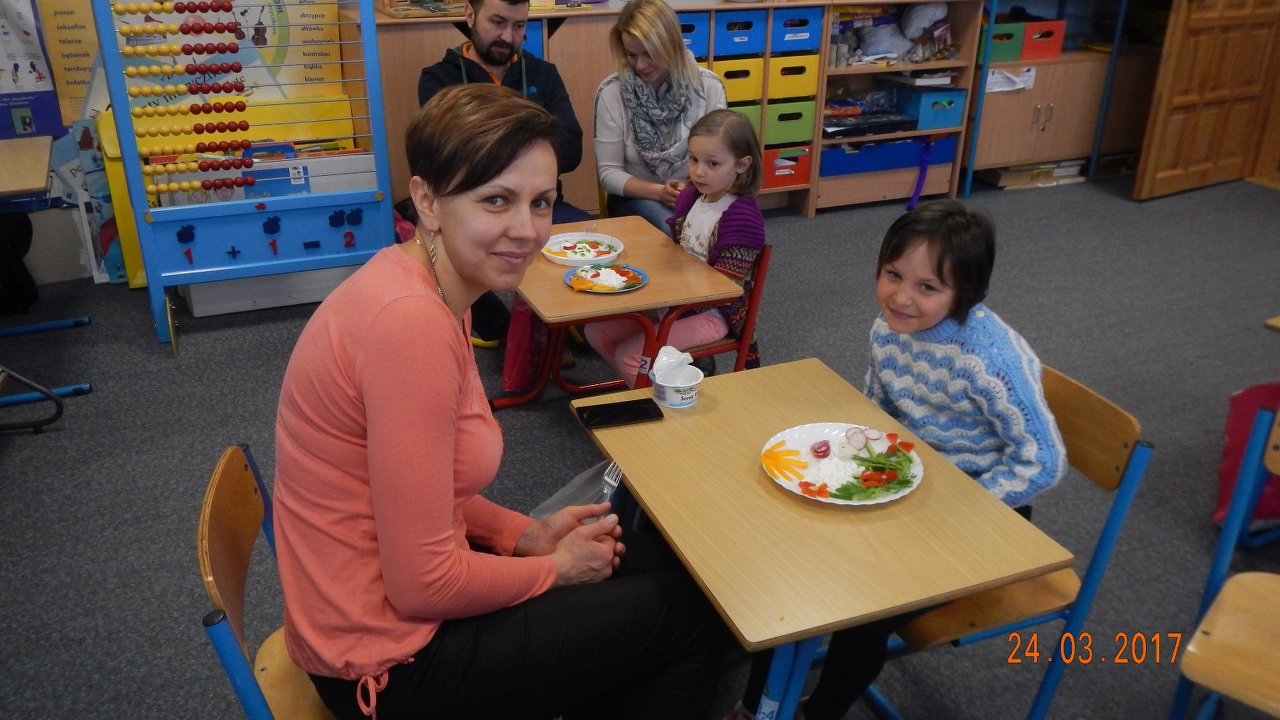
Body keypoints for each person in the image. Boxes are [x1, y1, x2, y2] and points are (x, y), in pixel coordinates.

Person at [274, 84, 727, 720]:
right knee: (688, 618)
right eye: (496, 200)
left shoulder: (432, 284)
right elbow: (423, 584)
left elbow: (426, 492)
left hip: (375, 610)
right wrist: (553, 569)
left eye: (541, 202)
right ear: (427, 200)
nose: (527, 230)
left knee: (653, 557)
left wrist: (525, 535)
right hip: (389, 663)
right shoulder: (407, 325)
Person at [728, 201, 1068, 720]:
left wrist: (960, 505)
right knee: (796, 547)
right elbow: (879, 415)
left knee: (865, 608)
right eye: (893, 274)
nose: (901, 297)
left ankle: (820, 713)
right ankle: (757, 705)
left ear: (966, 293)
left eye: (927, 287)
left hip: (986, 510)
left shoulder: (990, 358)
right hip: (912, 485)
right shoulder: (888, 330)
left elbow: (1042, 460)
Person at [418, 0, 592, 345]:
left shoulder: (543, 73)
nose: (508, 36)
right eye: (497, 22)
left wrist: (489, 151)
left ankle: (562, 323)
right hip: (471, 206)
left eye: (518, 26)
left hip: (540, 204)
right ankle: (507, 333)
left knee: (592, 240)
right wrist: (533, 151)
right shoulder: (438, 78)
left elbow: (572, 149)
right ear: (470, 15)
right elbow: (446, 155)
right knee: (437, 244)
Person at [586, 109, 764, 387]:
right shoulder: (691, 197)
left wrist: (666, 289)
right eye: (693, 159)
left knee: (631, 356)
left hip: (712, 315)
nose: (699, 171)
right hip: (675, 302)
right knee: (597, 332)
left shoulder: (742, 218)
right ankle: (648, 383)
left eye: (713, 163)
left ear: (742, 165)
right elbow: (676, 251)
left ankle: (654, 402)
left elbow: (725, 289)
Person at [594, 0, 727, 231]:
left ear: (671, 45)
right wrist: (659, 192)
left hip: (700, 192)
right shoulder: (611, 92)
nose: (640, 65)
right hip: (636, 198)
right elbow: (608, 173)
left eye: (649, 53)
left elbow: (722, 159)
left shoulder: (709, 87)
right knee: (674, 229)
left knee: (736, 228)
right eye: (631, 54)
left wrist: (690, 191)